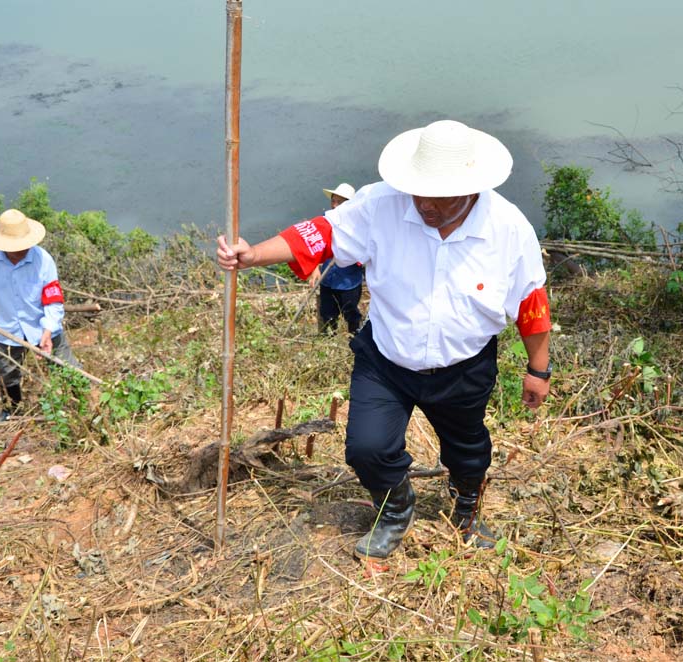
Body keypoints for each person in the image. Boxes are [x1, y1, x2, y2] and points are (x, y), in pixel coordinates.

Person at [218, 120, 552, 560]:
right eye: (419, 190)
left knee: (468, 451)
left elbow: (531, 301)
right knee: (366, 448)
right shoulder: (380, 204)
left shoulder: (508, 228)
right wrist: (254, 254)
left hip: (464, 368)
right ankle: (395, 507)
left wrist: (538, 370)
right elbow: (321, 233)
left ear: (471, 189)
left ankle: (467, 506)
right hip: (387, 361)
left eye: (439, 196)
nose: (424, 203)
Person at [0, 208, 81, 422]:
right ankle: (12, 413)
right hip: (5, 330)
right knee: (7, 374)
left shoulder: (42, 260)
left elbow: (53, 299)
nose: (21, 250)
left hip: (41, 326)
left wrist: (48, 329)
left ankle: (81, 407)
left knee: (68, 368)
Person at [307, 183, 364, 334]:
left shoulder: (358, 225)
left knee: (350, 312)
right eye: (333, 201)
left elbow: (365, 254)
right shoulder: (325, 221)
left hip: (348, 282)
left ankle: (356, 337)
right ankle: (327, 339)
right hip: (327, 279)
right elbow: (314, 246)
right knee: (327, 313)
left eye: (340, 202)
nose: (334, 205)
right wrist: (314, 269)